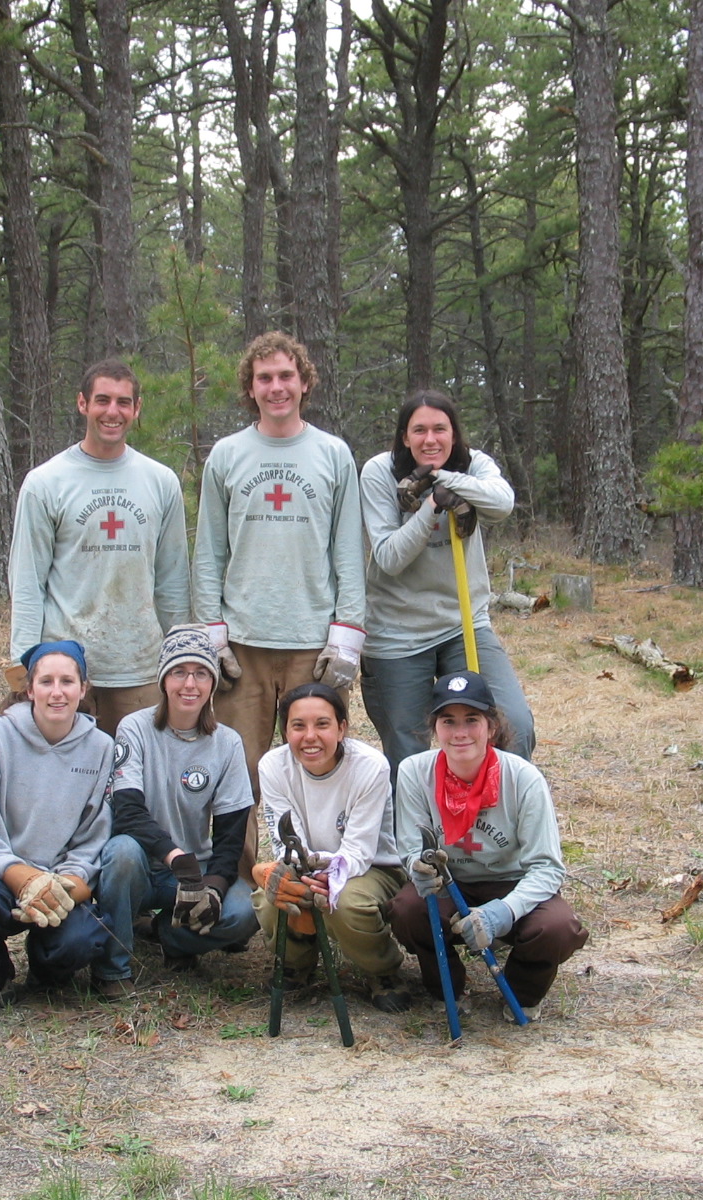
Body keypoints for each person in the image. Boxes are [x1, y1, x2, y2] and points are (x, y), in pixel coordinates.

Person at [193, 332, 366, 801]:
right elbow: (209, 551)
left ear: (304, 382)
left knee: (317, 767)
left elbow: (348, 551)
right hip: (243, 647)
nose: (276, 387)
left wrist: (347, 634)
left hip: (312, 645)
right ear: (250, 388)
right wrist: (211, 631)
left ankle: (318, 871)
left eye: (286, 375)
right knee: (239, 771)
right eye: (264, 377)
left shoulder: (333, 455)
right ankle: (241, 872)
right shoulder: (227, 456)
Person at [8, 359, 190, 736]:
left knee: (137, 779)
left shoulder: (161, 482)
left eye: (124, 402)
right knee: (70, 779)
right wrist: (24, 667)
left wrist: (180, 658)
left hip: (139, 665)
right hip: (66, 667)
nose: (113, 412)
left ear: (137, 409)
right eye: (102, 400)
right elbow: (28, 583)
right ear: (82, 403)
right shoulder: (46, 483)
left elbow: (172, 583)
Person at [390, 671, 587, 1020]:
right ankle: (447, 988)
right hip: (449, 881)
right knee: (407, 909)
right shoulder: (413, 772)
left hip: (510, 880)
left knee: (557, 926)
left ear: (491, 727)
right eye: (448, 721)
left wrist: (504, 912)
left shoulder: (523, 779)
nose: (460, 732)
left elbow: (547, 867)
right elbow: (410, 846)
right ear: (434, 728)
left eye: (472, 720)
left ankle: (521, 992)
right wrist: (417, 868)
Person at [360, 390, 534, 778]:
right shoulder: (379, 472)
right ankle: (419, 833)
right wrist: (432, 506)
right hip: (397, 633)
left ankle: (501, 822)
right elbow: (389, 557)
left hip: (464, 624)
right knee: (408, 755)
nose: (430, 439)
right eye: (419, 430)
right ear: (404, 437)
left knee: (514, 727)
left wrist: (446, 479)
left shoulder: (472, 465)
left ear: (454, 433)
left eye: (440, 428)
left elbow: (503, 503)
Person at [0, 641, 115, 1009]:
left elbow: (92, 836)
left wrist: (63, 886)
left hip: (56, 880)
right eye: (46, 681)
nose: (57, 692)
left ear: (83, 689)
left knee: (83, 939)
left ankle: (45, 971)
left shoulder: (100, 747)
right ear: (28, 689)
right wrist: (22, 877)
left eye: (67, 681)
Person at [93, 626, 259, 997]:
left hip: (192, 873)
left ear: (213, 683)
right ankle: (113, 967)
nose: (190, 684)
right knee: (119, 852)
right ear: (163, 679)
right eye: (179, 672)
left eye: (201, 673)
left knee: (244, 912)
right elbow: (128, 811)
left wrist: (213, 886)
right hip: (141, 865)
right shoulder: (134, 729)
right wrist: (172, 855)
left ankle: (172, 937)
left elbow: (231, 831)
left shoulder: (227, 743)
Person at [251, 682, 412, 1013]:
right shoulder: (272, 766)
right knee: (272, 897)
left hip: (370, 868)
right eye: (298, 726)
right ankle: (296, 963)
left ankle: (381, 971)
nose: (310, 736)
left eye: (322, 724)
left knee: (347, 902)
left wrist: (328, 875)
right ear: (285, 731)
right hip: (305, 865)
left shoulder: (370, 765)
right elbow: (286, 839)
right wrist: (302, 873)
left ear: (341, 728)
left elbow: (359, 849)